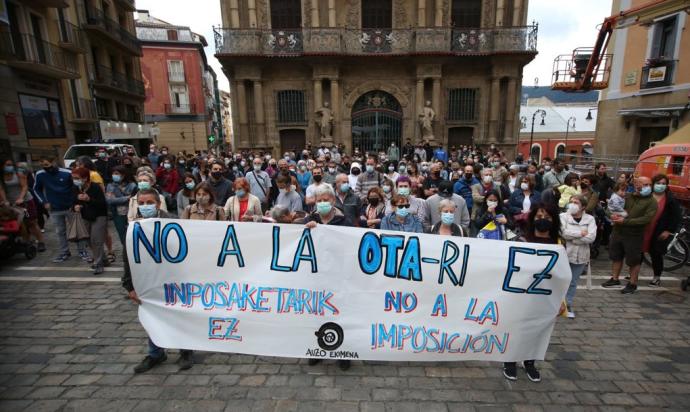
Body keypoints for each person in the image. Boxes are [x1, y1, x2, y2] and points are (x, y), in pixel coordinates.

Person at [122, 189, 194, 373]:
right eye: (142, 203)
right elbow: (128, 257)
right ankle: (155, 353)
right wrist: (129, 285)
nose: (145, 206)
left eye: (149, 202)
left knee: (179, 315)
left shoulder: (173, 222)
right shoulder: (134, 227)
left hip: (174, 280)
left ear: (158, 204)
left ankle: (185, 350)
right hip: (148, 281)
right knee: (152, 317)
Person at [503, 202, 561, 383]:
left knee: (538, 329)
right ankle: (510, 360)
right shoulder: (523, 241)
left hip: (544, 296)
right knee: (516, 327)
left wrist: (561, 301)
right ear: (533, 219)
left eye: (547, 217)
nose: (542, 220)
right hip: (521, 294)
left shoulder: (558, 244)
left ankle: (530, 362)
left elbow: (562, 276)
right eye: (539, 217)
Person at [304, 184, 352, 371]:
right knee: (318, 314)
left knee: (340, 313)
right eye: (319, 200)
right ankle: (318, 349)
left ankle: (342, 351)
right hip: (316, 276)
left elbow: (350, 246)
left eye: (326, 200)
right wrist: (307, 228)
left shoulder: (344, 221)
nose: (323, 203)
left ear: (333, 200)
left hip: (338, 275)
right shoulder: (310, 219)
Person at [602, 176, 657, 294]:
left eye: (649, 184)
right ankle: (614, 279)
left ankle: (632, 283)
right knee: (616, 256)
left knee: (634, 260)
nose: (648, 187)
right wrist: (610, 215)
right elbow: (610, 208)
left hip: (634, 235)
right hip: (618, 231)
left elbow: (646, 219)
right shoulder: (627, 196)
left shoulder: (652, 202)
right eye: (644, 184)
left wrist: (625, 221)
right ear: (636, 184)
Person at [560, 194, 596, 318]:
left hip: (581, 255)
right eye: (571, 202)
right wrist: (581, 233)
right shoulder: (563, 216)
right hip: (564, 254)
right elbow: (564, 233)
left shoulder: (590, 219)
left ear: (583, 207)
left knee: (573, 282)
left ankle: (567, 304)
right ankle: (556, 304)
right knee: (560, 280)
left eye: (576, 203)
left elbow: (591, 237)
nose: (572, 205)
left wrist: (575, 239)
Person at [643, 174, 682, 287]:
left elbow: (676, 217)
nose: (661, 185)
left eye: (663, 184)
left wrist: (668, 231)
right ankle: (633, 273)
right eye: (658, 183)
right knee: (638, 252)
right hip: (644, 229)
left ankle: (657, 277)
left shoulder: (670, 199)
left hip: (659, 231)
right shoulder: (647, 195)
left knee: (656, 254)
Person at [34, 156, 74, 262]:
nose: (45, 167)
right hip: (54, 208)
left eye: (46, 164)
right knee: (60, 231)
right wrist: (44, 202)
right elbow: (36, 189)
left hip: (70, 206)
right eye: (42, 165)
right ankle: (64, 252)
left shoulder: (66, 173)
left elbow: (75, 187)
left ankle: (82, 251)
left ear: (54, 162)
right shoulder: (40, 174)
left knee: (76, 229)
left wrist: (75, 202)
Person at [1, 159, 45, 250]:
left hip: (25, 200)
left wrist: (21, 198)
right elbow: (1, 190)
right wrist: (5, 200)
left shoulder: (18, 173)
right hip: (11, 203)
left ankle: (41, 241)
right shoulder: (1, 176)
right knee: (20, 224)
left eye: (10, 164)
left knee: (31, 222)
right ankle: (26, 241)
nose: (9, 167)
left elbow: (25, 186)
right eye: (6, 165)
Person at [71, 167, 108, 274]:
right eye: (73, 178)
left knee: (97, 240)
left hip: (99, 216)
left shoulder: (95, 187)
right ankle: (103, 259)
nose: (75, 180)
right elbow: (72, 201)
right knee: (87, 239)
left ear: (85, 178)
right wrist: (75, 207)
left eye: (77, 178)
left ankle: (98, 263)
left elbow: (102, 204)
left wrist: (89, 200)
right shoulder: (75, 188)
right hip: (85, 216)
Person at [106, 166, 136, 245]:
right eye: (113, 173)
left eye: (116, 173)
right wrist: (126, 198)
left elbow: (134, 198)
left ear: (123, 175)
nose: (114, 175)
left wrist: (119, 199)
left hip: (131, 212)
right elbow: (110, 200)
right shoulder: (110, 186)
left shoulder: (132, 185)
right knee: (122, 235)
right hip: (118, 214)